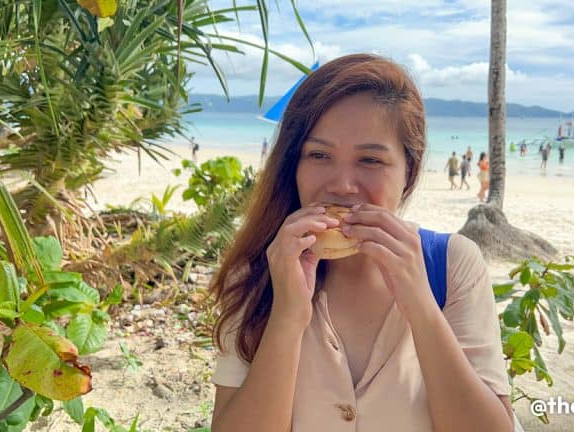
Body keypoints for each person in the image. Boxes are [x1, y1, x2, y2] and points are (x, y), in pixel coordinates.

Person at [208, 54, 514, 432]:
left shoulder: (452, 266)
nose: (342, 185)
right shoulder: (259, 272)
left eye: (370, 160)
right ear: (293, 166)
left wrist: (421, 305)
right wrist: (287, 318)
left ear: (409, 171)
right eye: (319, 155)